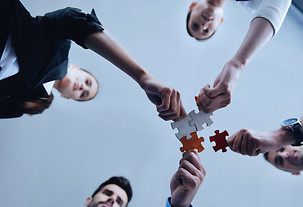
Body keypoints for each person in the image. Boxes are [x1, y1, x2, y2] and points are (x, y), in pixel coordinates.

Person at [1, 0, 185, 120]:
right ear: (75, 67)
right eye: (87, 82)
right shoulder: (58, 42)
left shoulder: (23, 104)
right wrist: (143, 77)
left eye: (83, 94)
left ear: (67, 97)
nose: (83, 87)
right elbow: (78, 22)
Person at [14, 150, 206, 207]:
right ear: (89, 199)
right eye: (107, 193)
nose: (112, 199)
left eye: (119, 202)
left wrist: (179, 206)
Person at [186, 0, 291, 113]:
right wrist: (237, 64)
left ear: (192, 5)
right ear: (220, 21)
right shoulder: (254, 2)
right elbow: (273, 9)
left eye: (195, 25)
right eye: (207, 30)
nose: (203, 25)